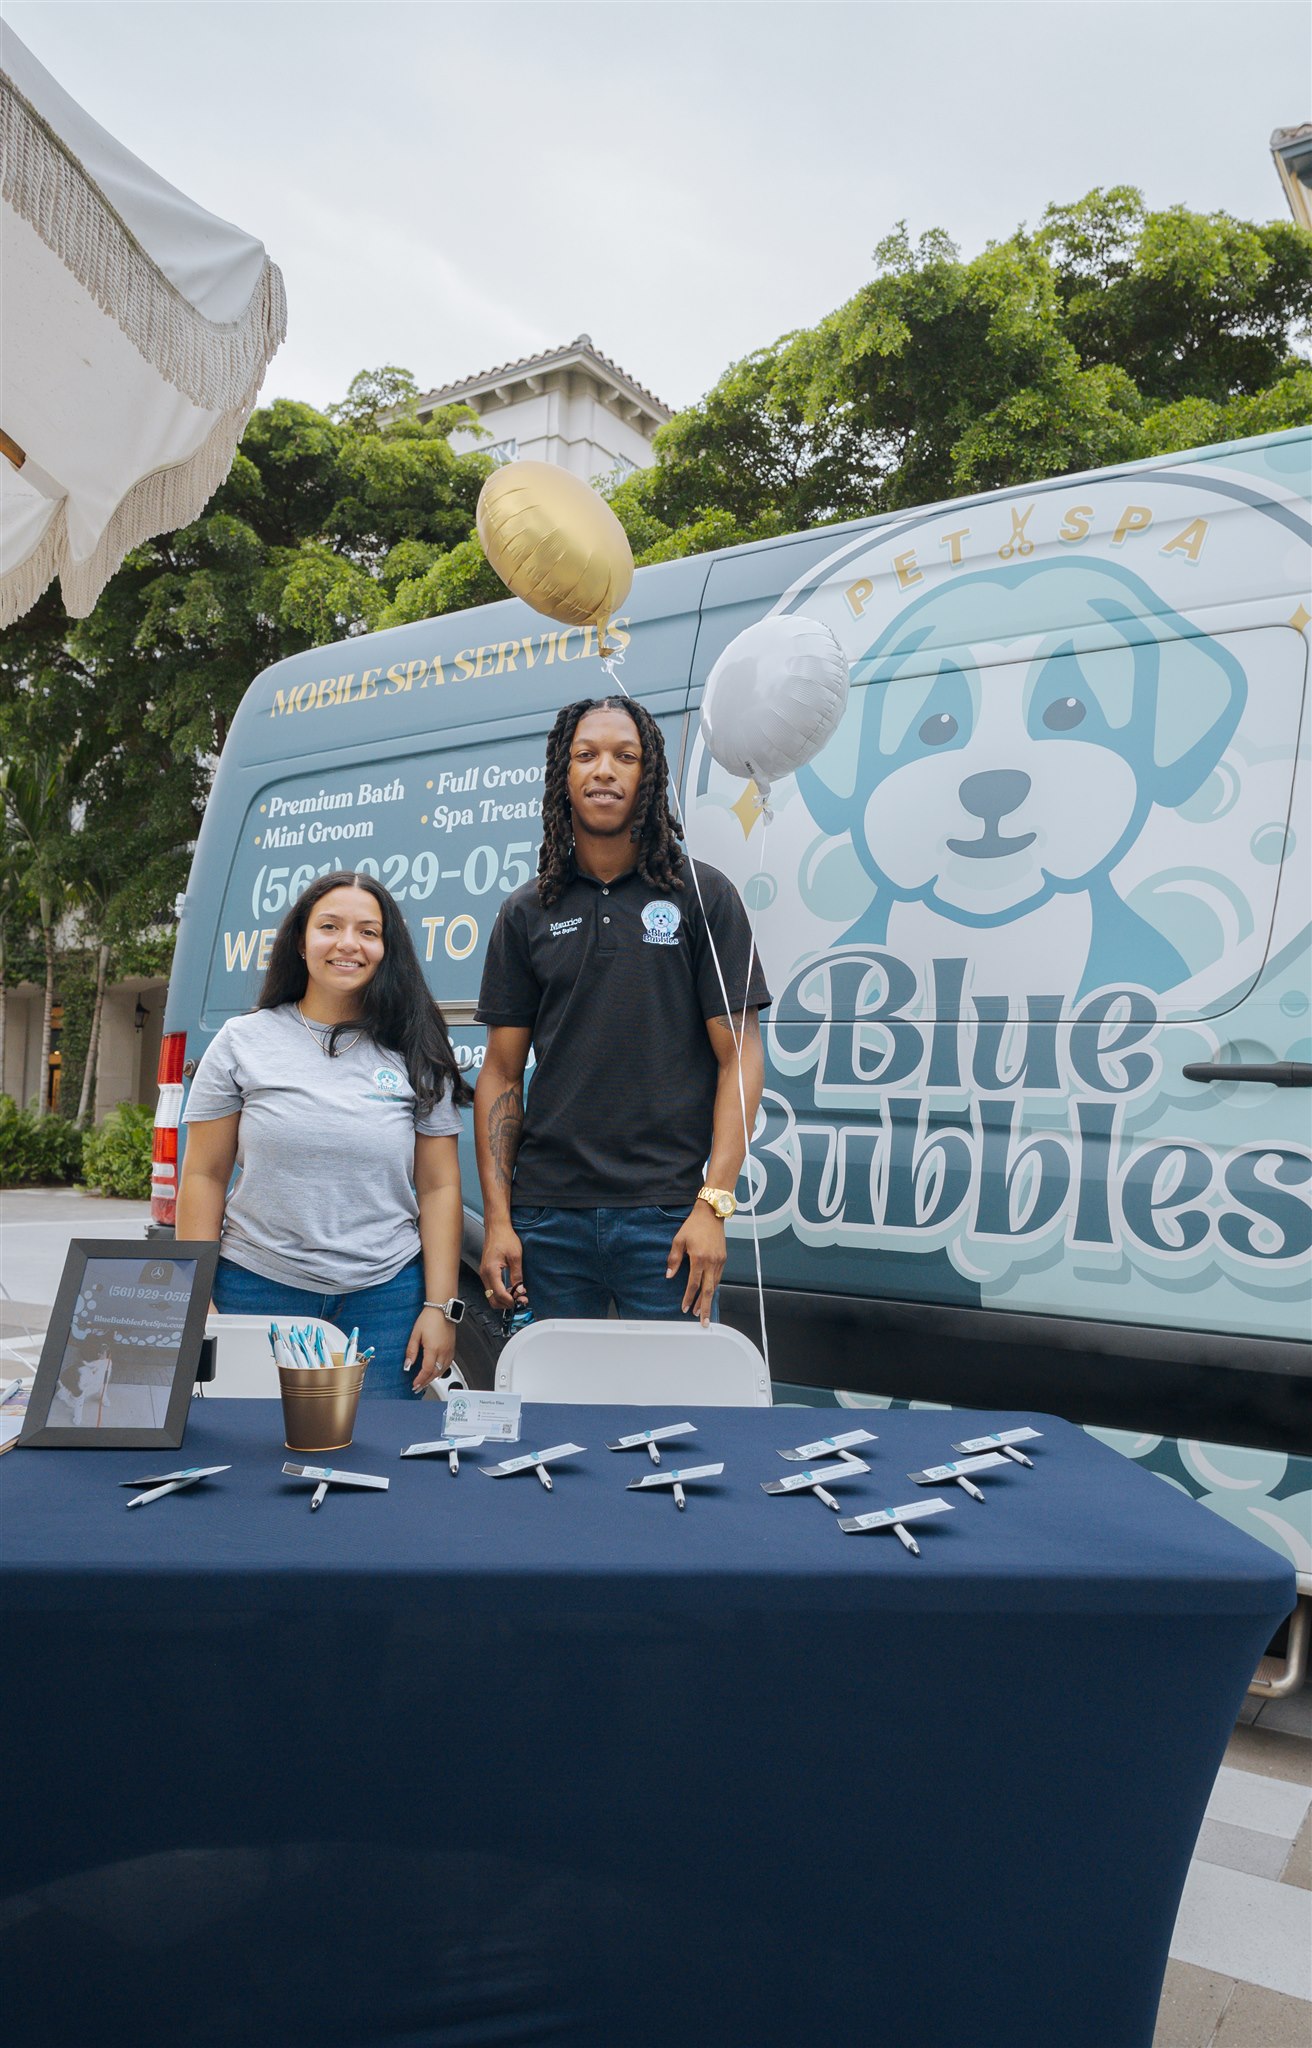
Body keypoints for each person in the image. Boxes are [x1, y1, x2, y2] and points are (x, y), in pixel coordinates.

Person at [475, 695, 770, 1326]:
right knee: (550, 1413)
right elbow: (500, 1073)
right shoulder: (526, 912)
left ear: (648, 775)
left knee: (669, 1414)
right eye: (587, 755)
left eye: (624, 755)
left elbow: (740, 1054)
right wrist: (498, 1220)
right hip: (547, 1219)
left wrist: (712, 1204)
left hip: (667, 1216)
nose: (604, 769)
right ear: (564, 774)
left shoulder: (703, 895)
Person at [177, 873, 471, 1396]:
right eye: (329, 926)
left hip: (386, 1301)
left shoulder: (416, 1048)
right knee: (253, 1459)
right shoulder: (243, 1042)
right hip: (256, 1287)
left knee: (375, 1459)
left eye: (368, 931)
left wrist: (440, 1307)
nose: (347, 944)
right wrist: (197, 1295)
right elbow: (203, 1174)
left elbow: (440, 1187)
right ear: (300, 940)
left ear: (387, 948)